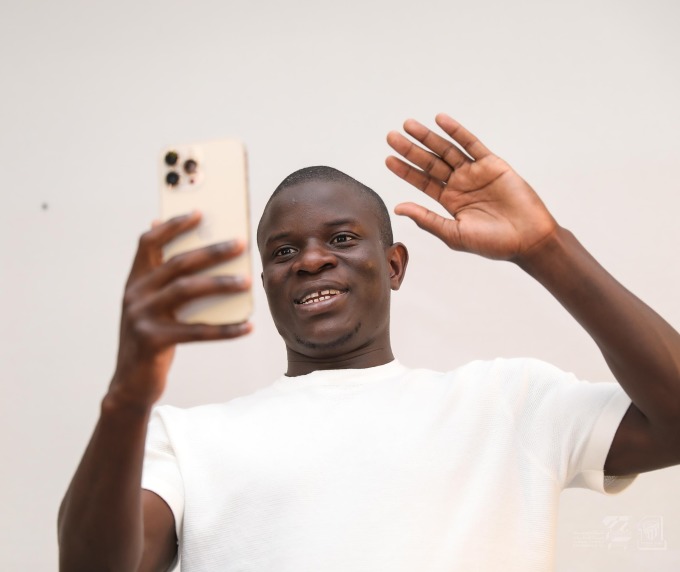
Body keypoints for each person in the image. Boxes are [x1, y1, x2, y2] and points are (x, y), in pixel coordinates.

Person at [57, 114, 680, 571]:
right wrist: (127, 394)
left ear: (395, 266)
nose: (310, 261)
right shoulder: (186, 441)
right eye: (282, 251)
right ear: (266, 281)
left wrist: (546, 248)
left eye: (342, 239)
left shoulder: (512, 402)